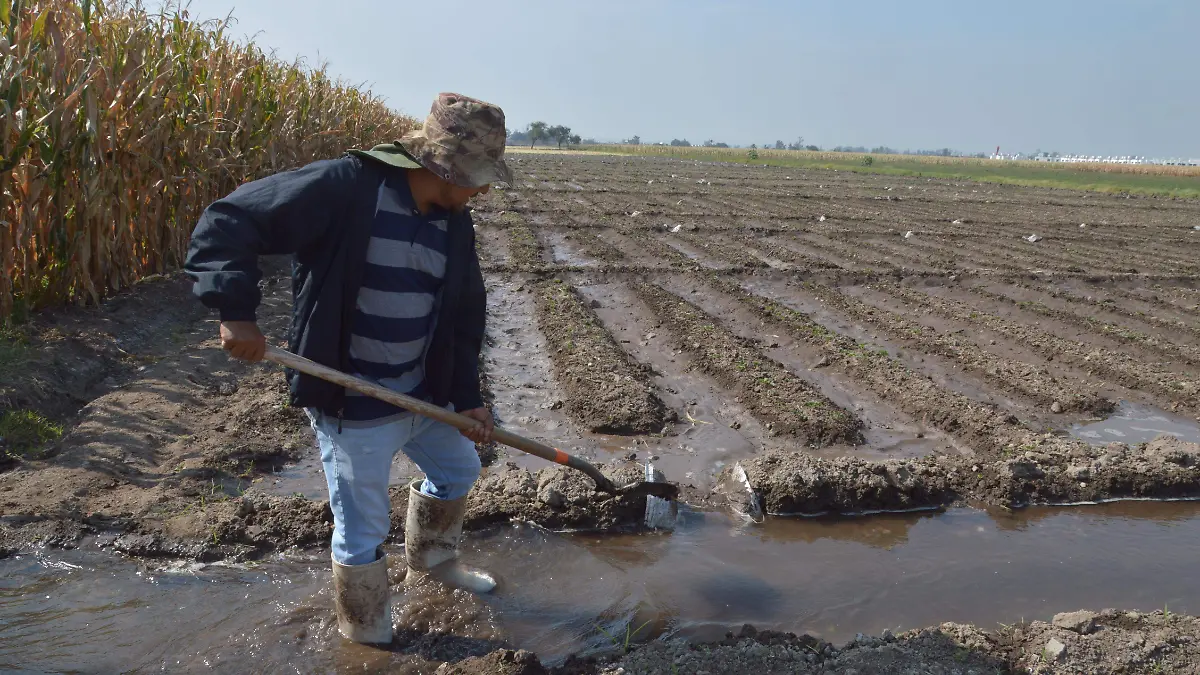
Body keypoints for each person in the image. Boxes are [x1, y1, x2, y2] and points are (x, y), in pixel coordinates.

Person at [184, 93, 512, 645]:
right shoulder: (348, 187)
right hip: (353, 401)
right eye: (478, 177)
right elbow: (230, 218)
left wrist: (465, 397)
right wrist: (235, 312)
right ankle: (365, 629)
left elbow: (462, 313)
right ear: (445, 169)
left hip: (422, 394)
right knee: (361, 528)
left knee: (458, 471)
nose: (482, 190)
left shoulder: (455, 223)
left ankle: (433, 564)